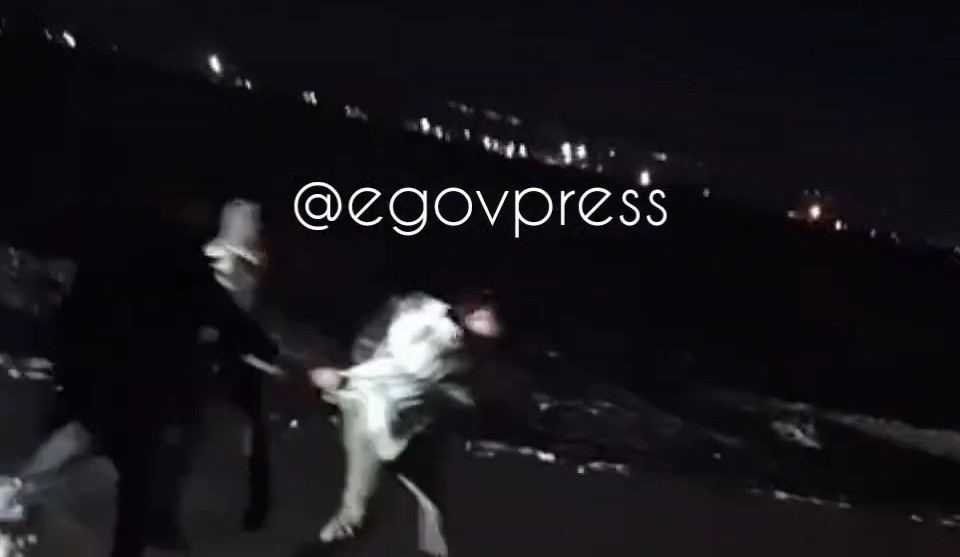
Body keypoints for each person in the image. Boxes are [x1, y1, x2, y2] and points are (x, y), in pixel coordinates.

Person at [0, 193, 278, 557]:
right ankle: (27, 497)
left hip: (137, 368)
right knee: (133, 448)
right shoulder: (214, 264)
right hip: (154, 374)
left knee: (94, 434)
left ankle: (20, 493)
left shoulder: (216, 262)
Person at [296, 290, 503, 557]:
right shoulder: (431, 329)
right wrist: (342, 378)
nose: (495, 329)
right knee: (356, 518)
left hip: (409, 430)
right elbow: (403, 354)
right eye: (488, 319)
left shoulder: (468, 358)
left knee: (436, 510)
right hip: (371, 418)